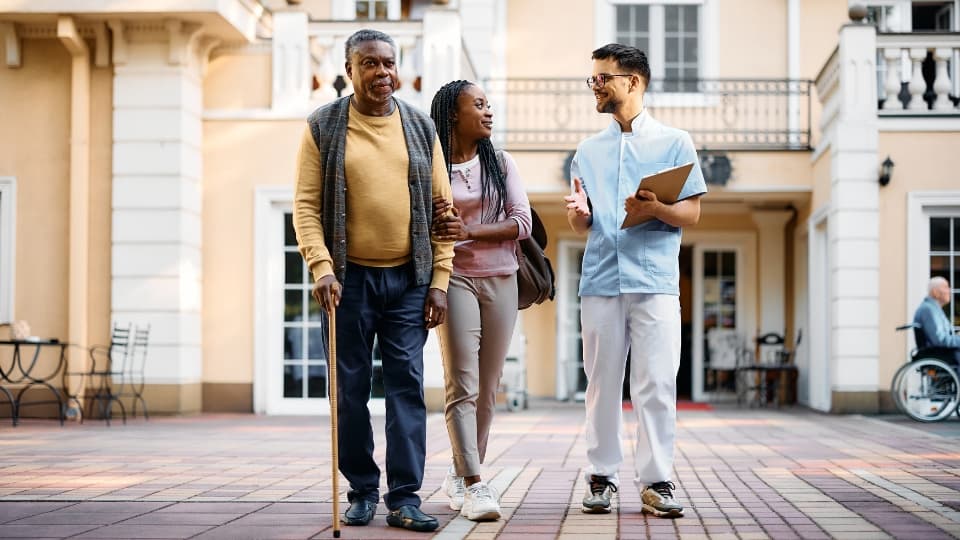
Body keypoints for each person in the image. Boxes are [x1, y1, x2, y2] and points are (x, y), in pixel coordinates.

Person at [293, 29, 454, 533]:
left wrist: (440, 279)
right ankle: (361, 490)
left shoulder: (420, 126)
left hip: (408, 281)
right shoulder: (324, 125)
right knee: (350, 390)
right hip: (349, 281)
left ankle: (404, 497)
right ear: (349, 69)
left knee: (407, 387)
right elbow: (305, 207)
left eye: (388, 63)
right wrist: (321, 267)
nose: (382, 73)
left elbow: (441, 209)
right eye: (369, 64)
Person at [564, 43, 706, 518]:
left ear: (633, 82)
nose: (595, 86)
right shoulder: (586, 151)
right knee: (602, 384)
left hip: (656, 282)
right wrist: (580, 218)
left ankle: (657, 481)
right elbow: (583, 224)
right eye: (593, 79)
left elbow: (692, 212)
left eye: (603, 77)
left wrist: (654, 209)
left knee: (657, 384)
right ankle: (601, 477)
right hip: (601, 280)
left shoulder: (675, 142)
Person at [428, 80, 532, 521]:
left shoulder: (500, 163)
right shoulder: (430, 168)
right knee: (463, 386)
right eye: (480, 105)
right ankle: (474, 482)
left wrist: (470, 230)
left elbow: (521, 222)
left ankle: (461, 472)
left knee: (489, 389)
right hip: (455, 278)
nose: (489, 112)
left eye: (490, 105)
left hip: (502, 279)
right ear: (454, 113)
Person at [913, 277, 960, 361]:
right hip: (940, 355)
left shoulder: (933, 309)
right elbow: (939, 340)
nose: (949, 290)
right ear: (935, 292)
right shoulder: (928, 310)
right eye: (946, 287)